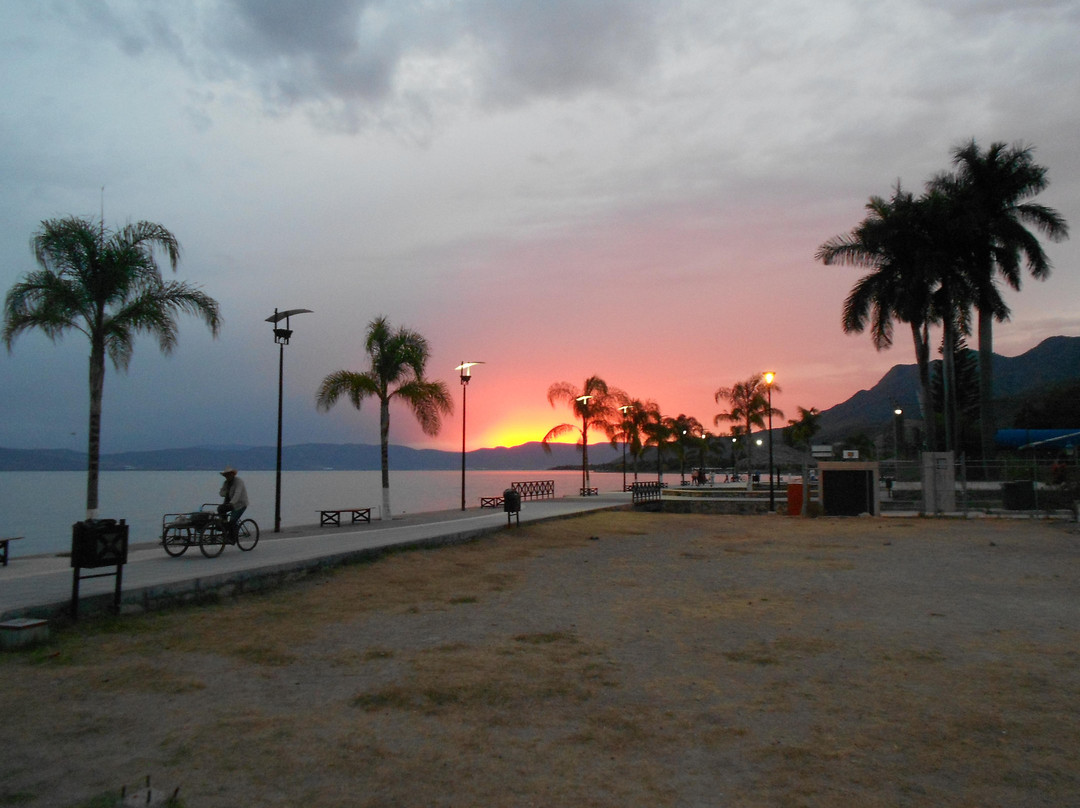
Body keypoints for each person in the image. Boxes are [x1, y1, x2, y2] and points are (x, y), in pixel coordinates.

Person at [218, 466, 248, 541]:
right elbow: (221, 493)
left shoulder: (239, 481)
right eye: (226, 475)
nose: (227, 476)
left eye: (229, 474)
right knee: (220, 509)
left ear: (232, 474)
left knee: (232, 520)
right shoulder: (226, 483)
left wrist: (231, 503)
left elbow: (237, 493)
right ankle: (225, 527)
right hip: (230, 503)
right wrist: (226, 493)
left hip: (240, 504)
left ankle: (233, 538)